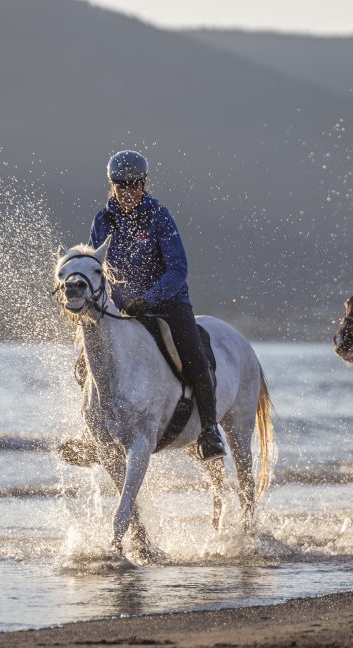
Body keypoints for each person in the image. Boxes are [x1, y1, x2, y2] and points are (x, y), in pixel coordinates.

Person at [86, 150, 225, 460]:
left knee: (193, 354)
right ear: (113, 185)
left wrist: (147, 299)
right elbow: (98, 266)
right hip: (120, 309)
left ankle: (209, 430)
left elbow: (178, 269)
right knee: (86, 360)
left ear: (144, 183)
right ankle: (91, 433)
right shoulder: (103, 220)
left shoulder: (159, 216)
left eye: (135, 185)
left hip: (167, 303)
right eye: (122, 186)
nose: (129, 192)